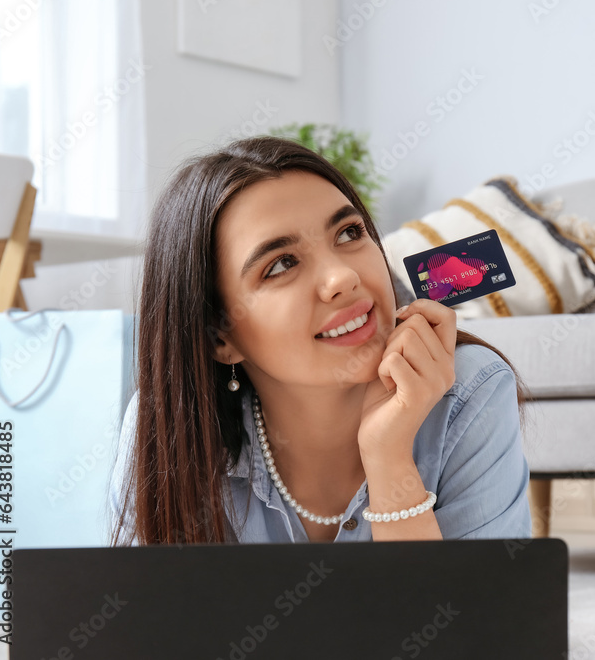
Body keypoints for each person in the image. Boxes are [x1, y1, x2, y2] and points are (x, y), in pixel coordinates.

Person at [109, 136, 532, 545]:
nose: (343, 278)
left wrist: (388, 457)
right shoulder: (166, 429)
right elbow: (149, 616)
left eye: (349, 233)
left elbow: (464, 617)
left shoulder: (470, 390)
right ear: (220, 338)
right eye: (280, 265)